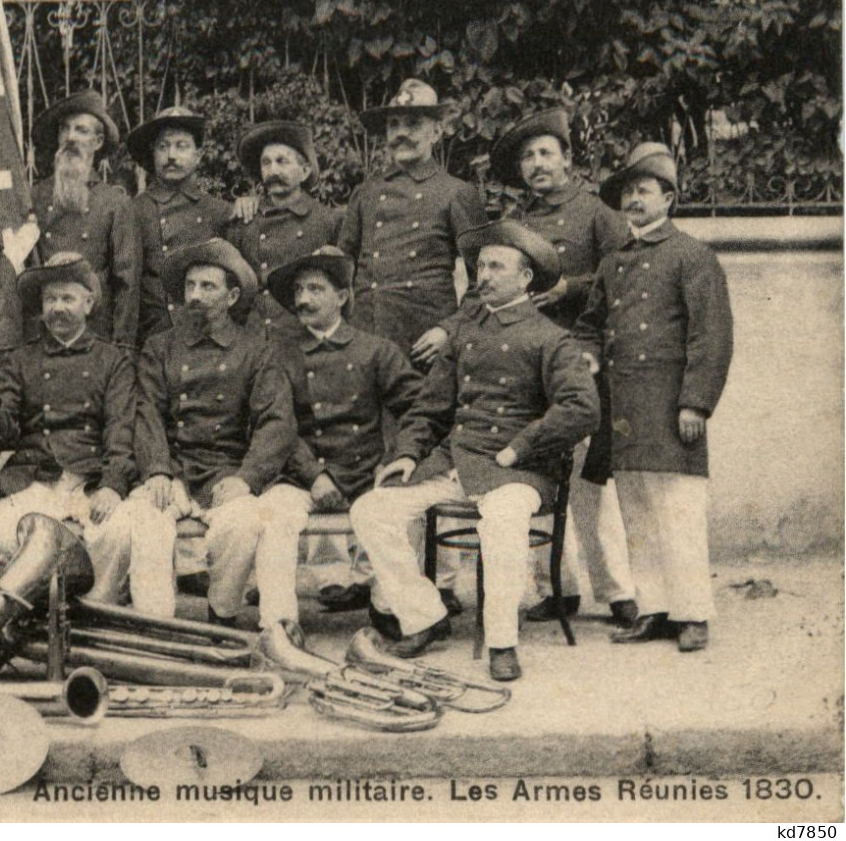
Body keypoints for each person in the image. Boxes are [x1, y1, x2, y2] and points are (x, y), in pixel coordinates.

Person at [351, 222, 599, 682]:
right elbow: (430, 408)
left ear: (526, 279)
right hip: (458, 462)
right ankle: (425, 615)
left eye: (496, 266)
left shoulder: (551, 338)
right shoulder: (465, 332)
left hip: (520, 472)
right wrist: (407, 454)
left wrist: (521, 447)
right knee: (371, 509)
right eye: (480, 265)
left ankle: (502, 643)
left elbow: (581, 408)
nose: (482, 275)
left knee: (503, 521)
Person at [576, 143, 734, 653]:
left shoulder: (692, 256)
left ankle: (693, 614)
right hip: (622, 406)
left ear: (669, 198)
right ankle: (655, 607)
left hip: (670, 405)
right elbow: (589, 325)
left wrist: (696, 403)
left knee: (679, 509)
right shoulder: (613, 261)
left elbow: (711, 337)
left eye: (643, 190)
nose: (633, 199)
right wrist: (588, 357)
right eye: (627, 191)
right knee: (637, 510)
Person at [487, 107, 637, 627]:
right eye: (527, 157)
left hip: (586, 357)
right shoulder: (519, 225)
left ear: (568, 158)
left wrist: (568, 287)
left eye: (545, 152)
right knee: (540, 473)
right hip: (532, 363)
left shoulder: (598, 214)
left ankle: (619, 590)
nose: (536, 164)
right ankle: (560, 587)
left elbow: (626, 275)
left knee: (594, 478)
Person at [0, 253, 157, 607]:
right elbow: (2, 435)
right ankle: (21, 620)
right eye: (50, 299)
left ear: (89, 303)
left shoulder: (112, 360)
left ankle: (97, 616)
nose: (57, 308)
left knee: (116, 532)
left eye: (67, 299)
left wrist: (113, 486)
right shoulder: (21, 359)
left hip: (89, 481)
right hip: (35, 479)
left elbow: (120, 430)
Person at [130, 240, 299, 634]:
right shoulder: (161, 347)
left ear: (233, 295)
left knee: (243, 524)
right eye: (190, 286)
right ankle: (157, 630)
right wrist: (156, 469)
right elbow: (146, 411)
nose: (195, 296)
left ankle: (221, 614)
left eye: (208, 287)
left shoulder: (256, 350)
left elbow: (277, 421)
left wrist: (247, 478)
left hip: (227, 471)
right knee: (145, 520)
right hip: (173, 471)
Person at [266, 246, 425, 613]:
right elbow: (276, 426)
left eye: (315, 290)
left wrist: (397, 458)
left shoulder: (375, 351)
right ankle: (278, 622)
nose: (304, 299)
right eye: (299, 291)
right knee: (273, 514)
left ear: (341, 297)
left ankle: (391, 609)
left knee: (396, 511)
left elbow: (418, 412)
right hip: (301, 476)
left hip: (364, 473)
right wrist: (314, 475)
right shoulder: (279, 356)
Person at [339, 79, 488, 366]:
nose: (401, 133)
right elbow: (342, 269)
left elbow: (487, 280)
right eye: (394, 125)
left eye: (413, 124)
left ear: (436, 132)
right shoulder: (366, 193)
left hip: (424, 346)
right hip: (365, 342)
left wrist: (450, 330)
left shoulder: (456, 193)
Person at [26, 90, 141, 345]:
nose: (70, 138)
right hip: (45, 336)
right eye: (64, 129)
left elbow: (127, 285)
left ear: (98, 142)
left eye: (81, 130)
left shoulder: (114, 203)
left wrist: (121, 350)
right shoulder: (35, 197)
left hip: (96, 335)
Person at [223, 121, 339, 342]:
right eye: (266, 163)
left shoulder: (327, 222)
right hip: (252, 341)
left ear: (304, 171)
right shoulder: (244, 220)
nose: (273, 171)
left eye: (282, 162)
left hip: (305, 342)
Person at [125, 105, 233, 344]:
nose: (171, 155)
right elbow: (125, 287)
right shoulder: (132, 210)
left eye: (181, 146)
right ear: (153, 154)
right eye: (163, 146)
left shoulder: (220, 212)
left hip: (207, 341)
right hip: (152, 340)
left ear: (198, 156)